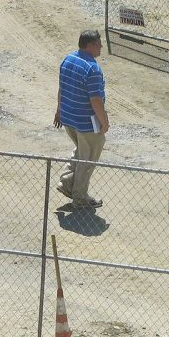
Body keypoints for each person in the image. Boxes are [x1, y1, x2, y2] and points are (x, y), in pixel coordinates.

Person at [53, 29, 109, 209]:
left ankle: (66, 182)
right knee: (88, 158)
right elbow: (96, 101)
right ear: (90, 45)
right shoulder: (92, 68)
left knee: (82, 150)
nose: (101, 46)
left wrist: (59, 111)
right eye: (99, 43)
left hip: (69, 119)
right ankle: (80, 197)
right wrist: (104, 122)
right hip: (86, 124)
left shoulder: (68, 59)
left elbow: (62, 88)